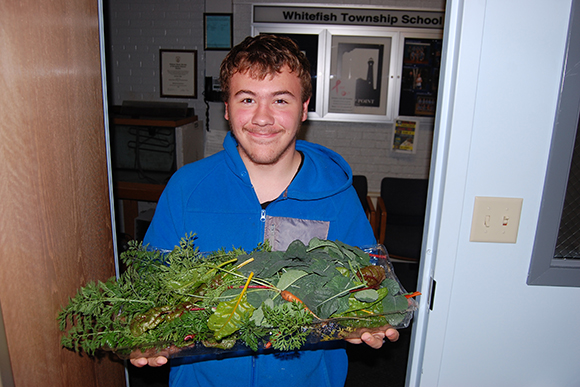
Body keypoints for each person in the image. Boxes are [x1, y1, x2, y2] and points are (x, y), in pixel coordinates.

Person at [131, 34, 399, 386]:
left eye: (280, 100)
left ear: (304, 108)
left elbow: (367, 284)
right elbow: (149, 288)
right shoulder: (186, 188)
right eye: (247, 99)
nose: (262, 118)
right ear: (227, 108)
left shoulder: (338, 195)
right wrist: (142, 332)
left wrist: (368, 317)